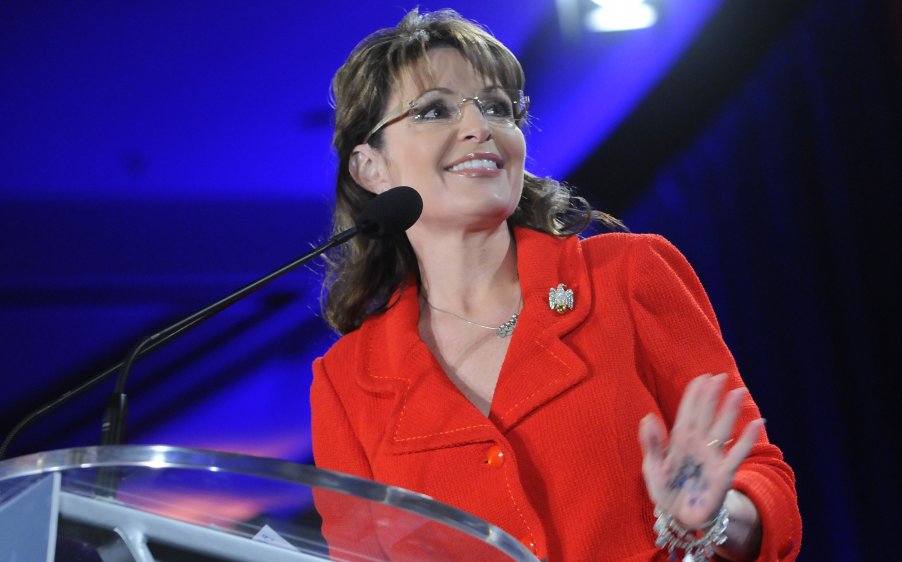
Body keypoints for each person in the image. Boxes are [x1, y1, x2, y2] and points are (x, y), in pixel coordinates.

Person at [311, 8, 802, 561]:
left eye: (497, 107)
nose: (479, 127)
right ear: (370, 168)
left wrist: (714, 516)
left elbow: (762, 483)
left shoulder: (628, 275)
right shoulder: (347, 383)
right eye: (433, 111)